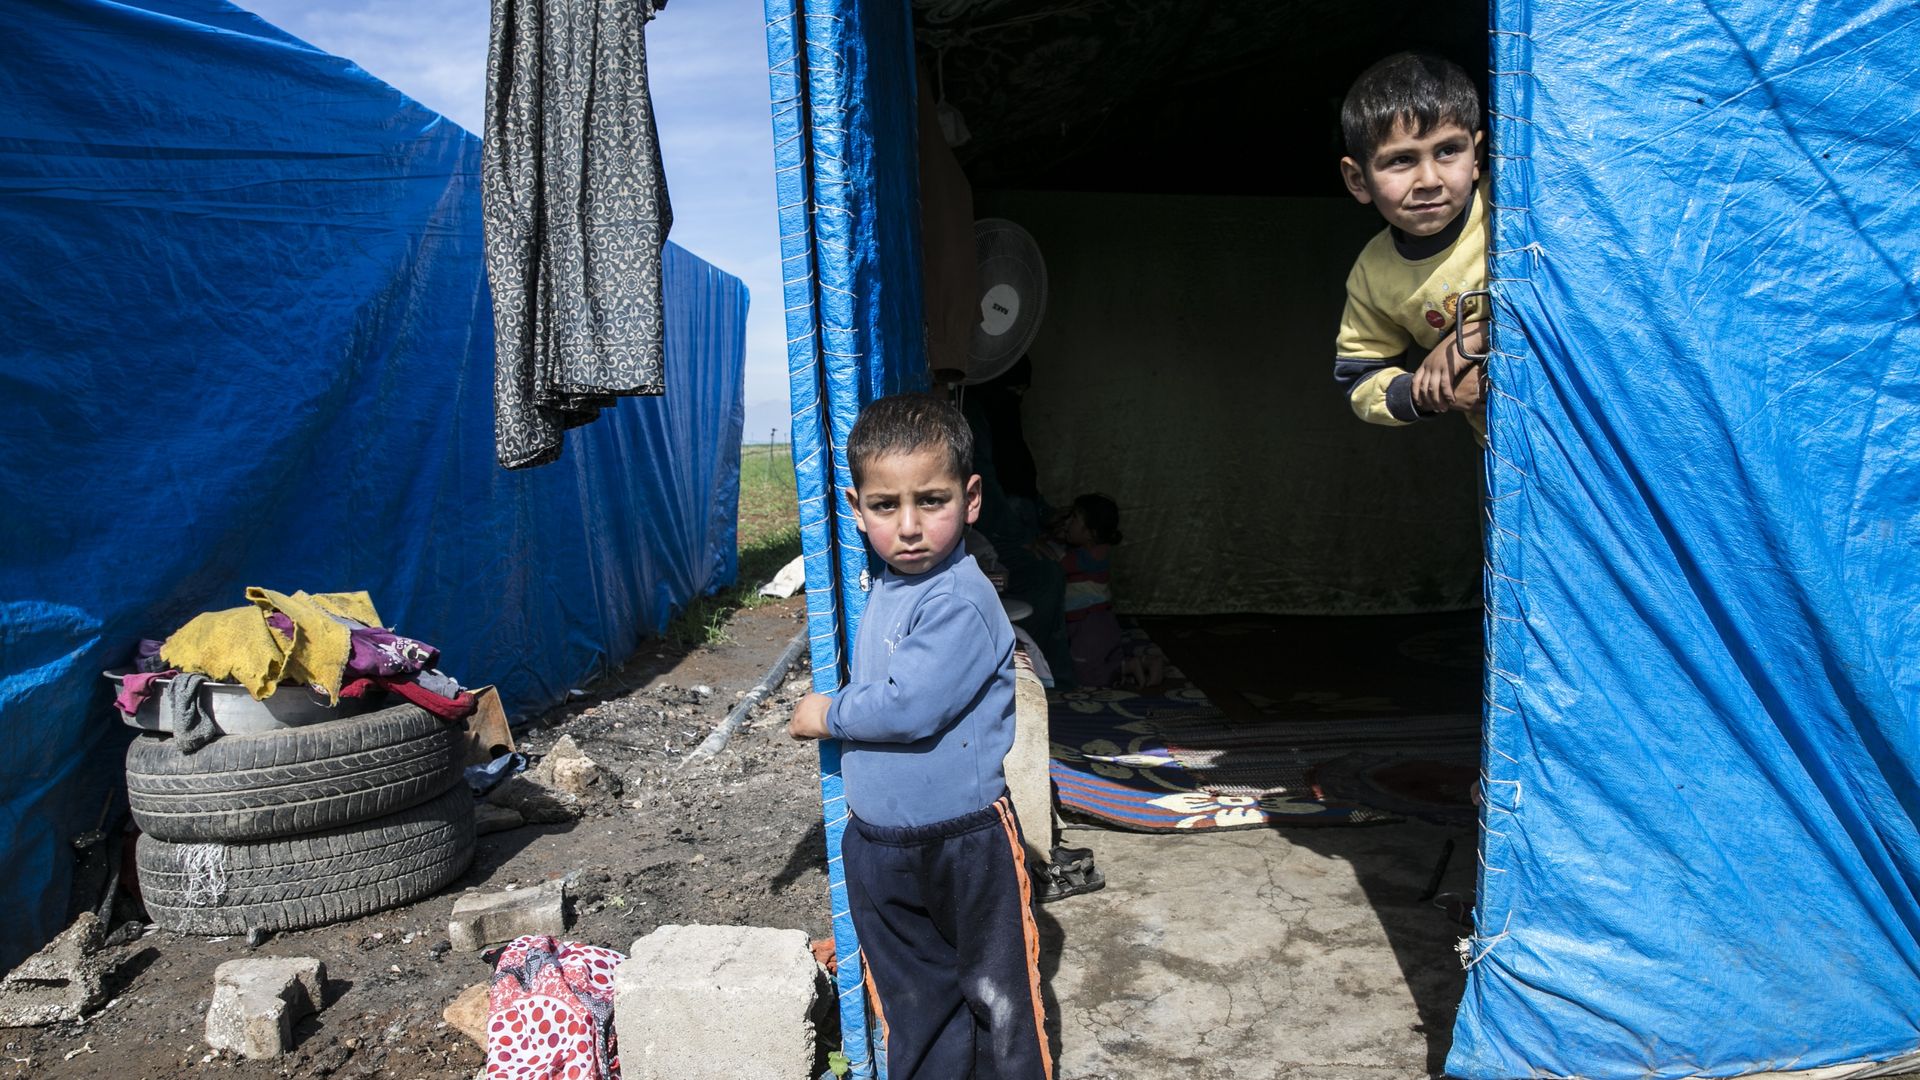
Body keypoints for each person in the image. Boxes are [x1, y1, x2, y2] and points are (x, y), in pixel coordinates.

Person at [787, 393, 1051, 1080]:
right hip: (880, 842)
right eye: (885, 506)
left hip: (964, 841)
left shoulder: (960, 597)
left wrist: (826, 714)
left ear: (970, 500)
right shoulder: (885, 585)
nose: (908, 527)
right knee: (915, 1000)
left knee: (1000, 999)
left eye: (930, 502)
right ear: (855, 506)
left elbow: (909, 708)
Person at [1333, 52, 1491, 440]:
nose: (1429, 179)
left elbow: (1574, 294)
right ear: (1358, 180)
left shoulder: (1513, 206)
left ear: (1477, 157)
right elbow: (1360, 377)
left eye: (1448, 151)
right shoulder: (1374, 273)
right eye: (1402, 160)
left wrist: (1472, 338)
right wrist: (1437, 391)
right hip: (1511, 458)